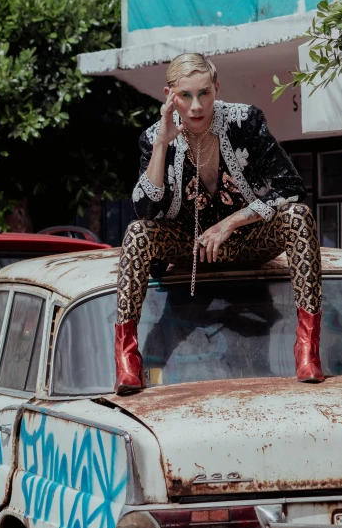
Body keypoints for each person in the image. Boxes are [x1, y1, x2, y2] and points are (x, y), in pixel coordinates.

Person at [115, 53, 324, 394]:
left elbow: (291, 186)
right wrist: (161, 144)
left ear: (216, 88)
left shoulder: (245, 122)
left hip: (246, 241)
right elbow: (145, 211)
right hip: (189, 248)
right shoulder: (153, 137)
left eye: (204, 93)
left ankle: (306, 350)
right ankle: (128, 361)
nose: (196, 106)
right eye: (185, 96)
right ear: (170, 96)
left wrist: (232, 222)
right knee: (137, 234)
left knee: (298, 216)